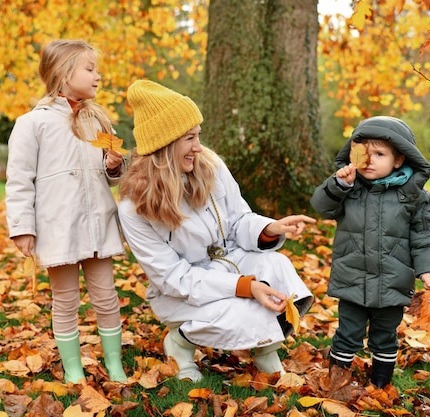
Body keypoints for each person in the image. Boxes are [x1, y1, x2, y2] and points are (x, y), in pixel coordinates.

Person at [117, 79, 315, 382]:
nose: (198, 146)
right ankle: (180, 344)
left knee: (278, 266)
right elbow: (174, 278)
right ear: (164, 145)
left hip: (228, 263)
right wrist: (246, 287)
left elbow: (238, 220)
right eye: (189, 138)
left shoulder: (209, 166)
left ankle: (265, 349)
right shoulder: (134, 208)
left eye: (198, 135)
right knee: (239, 309)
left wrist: (270, 228)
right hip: (181, 293)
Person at [5, 40, 128, 384]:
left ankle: (114, 364)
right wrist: (22, 228)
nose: (97, 76)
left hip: (98, 225)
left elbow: (112, 175)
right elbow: (19, 180)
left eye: (96, 69)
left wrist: (114, 165)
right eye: (89, 69)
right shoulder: (32, 124)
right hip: (58, 227)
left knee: (106, 297)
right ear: (63, 73)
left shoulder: (98, 121)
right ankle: (74, 369)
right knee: (65, 300)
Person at [310, 116, 430, 388]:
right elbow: (322, 206)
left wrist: (427, 268)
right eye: (363, 153)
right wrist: (339, 184)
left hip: (392, 281)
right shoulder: (349, 187)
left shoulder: (414, 195)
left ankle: (381, 384)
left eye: (379, 154)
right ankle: (337, 381)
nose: (369, 160)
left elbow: (425, 235)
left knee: (384, 335)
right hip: (352, 279)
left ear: (399, 160)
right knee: (348, 332)